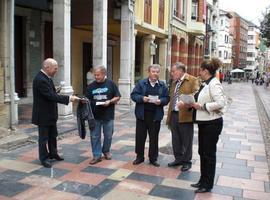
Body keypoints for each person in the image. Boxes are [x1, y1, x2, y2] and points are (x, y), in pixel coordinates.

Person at [32, 58, 80, 168]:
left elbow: (49, 93)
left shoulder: (47, 78)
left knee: (53, 135)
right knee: (43, 138)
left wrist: (55, 90)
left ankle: (53, 153)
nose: (56, 70)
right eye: (55, 68)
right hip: (43, 115)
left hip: (50, 114)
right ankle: (44, 158)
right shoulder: (40, 79)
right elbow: (50, 96)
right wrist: (69, 98)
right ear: (47, 67)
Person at [191, 58, 226, 193]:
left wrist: (203, 106)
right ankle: (202, 180)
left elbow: (221, 102)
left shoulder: (214, 83)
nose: (199, 72)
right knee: (202, 152)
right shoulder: (206, 83)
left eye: (200, 70)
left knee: (209, 154)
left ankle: (208, 184)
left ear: (205, 71)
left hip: (212, 124)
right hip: (204, 123)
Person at [131, 64, 169, 167]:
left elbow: (167, 98)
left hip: (155, 116)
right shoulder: (141, 83)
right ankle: (139, 157)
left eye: (157, 72)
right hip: (142, 115)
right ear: (149, 72)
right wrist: (142, 98)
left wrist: (161, 101)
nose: (155, 74)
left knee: (154, 138)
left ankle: (153, 158)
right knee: (140, 137)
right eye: (153, 71)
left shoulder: (162, 85)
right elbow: (133, 95)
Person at [166, 62, 199, 172]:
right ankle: (178, 159)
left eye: (173, 71)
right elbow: (171, 97)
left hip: (186, 115)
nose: (172, 73)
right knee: (175, 139)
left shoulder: (192, 80)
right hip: (174, 114)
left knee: (187, 140)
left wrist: (184, 102)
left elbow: (196, 94)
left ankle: (187, 162)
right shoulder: (175, 82)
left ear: (180, 71)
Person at [86, 65, 121, 165]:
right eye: (95, 75)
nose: (96, 77)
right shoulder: (91, 86)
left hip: (108, 115)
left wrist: (110, 101)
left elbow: (117, 97)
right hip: (94, 116)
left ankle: (106, 151)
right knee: (94, 136)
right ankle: (97, 155)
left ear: (104, 74)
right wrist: (84, 101)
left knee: (108, 136)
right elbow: (87, 98)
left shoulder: (111, 84)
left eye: (98, 75)